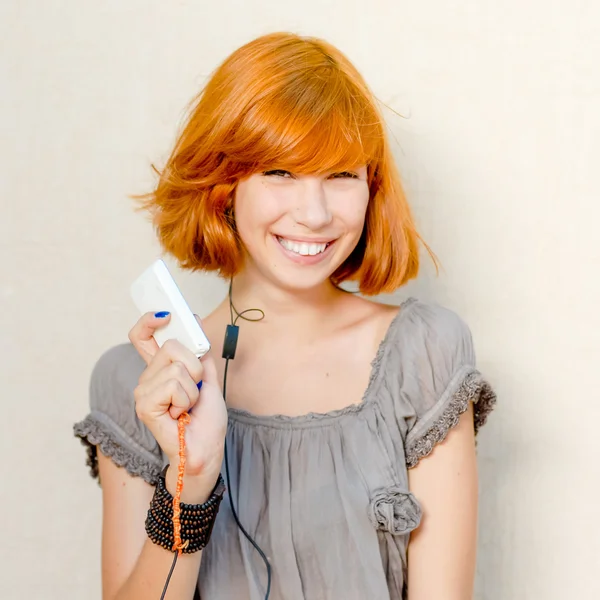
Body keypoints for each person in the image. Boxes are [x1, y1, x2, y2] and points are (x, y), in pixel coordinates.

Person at [74, 31, 496, 600]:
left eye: (341, 176)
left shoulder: (424, 355)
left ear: (371, 189)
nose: (315, 213)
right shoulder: (139, 382)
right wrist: (190, 482)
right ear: (223, 187)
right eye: (280, 172)